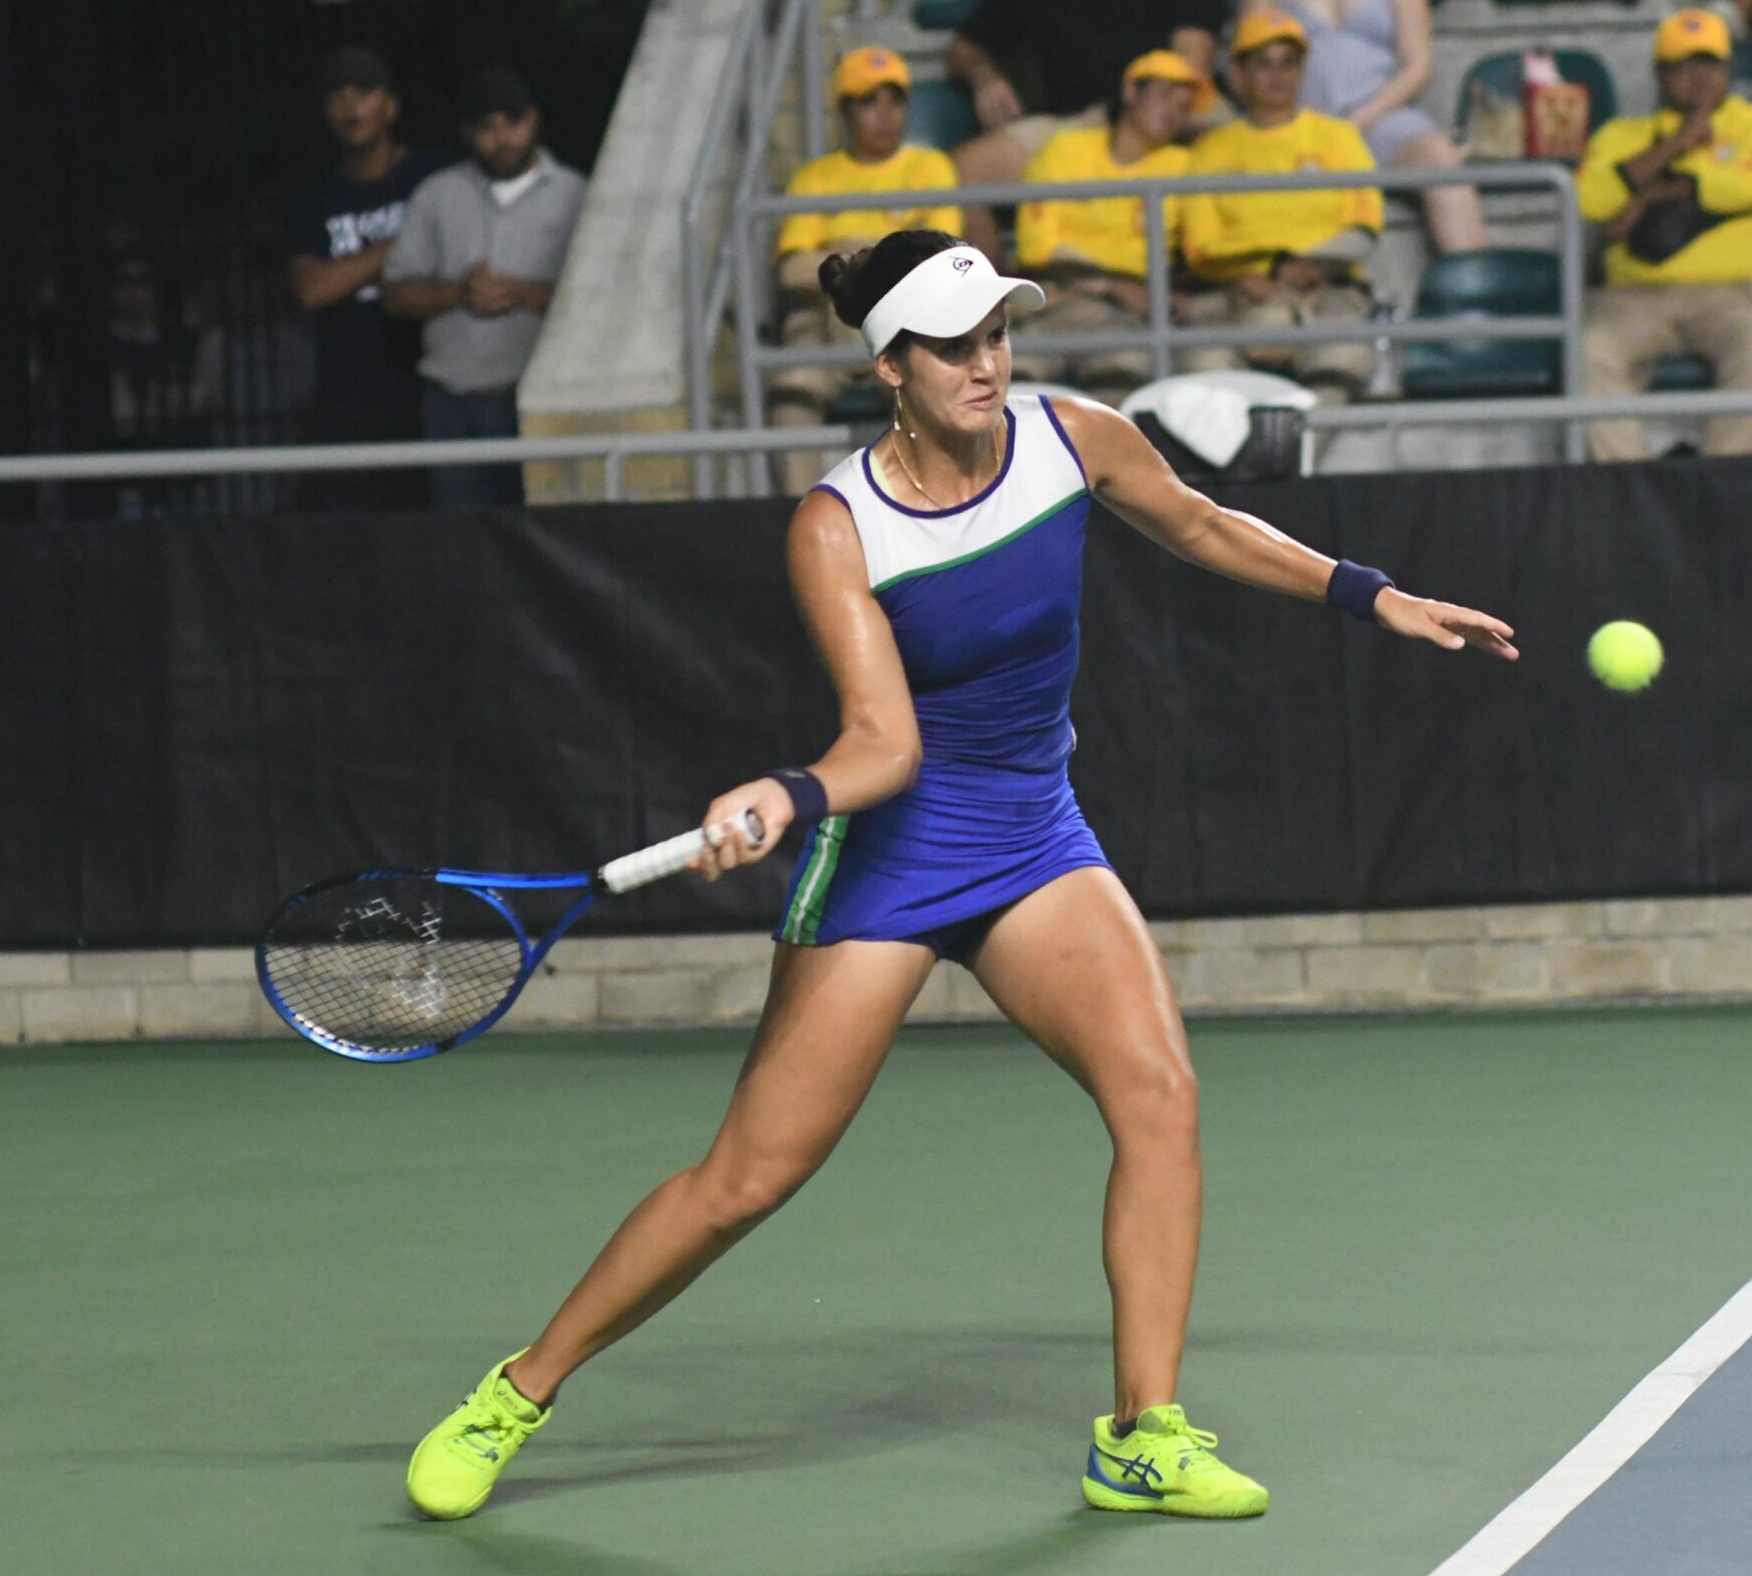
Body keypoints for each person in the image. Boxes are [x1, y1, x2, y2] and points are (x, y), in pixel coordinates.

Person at [399, 227, 1517, 1524]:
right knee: (749, 1176)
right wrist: (789, 791)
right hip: (889, 856)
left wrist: (1368, 595)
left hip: (1034, 833)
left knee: (1159, 1095)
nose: (988, 363)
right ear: (891, 365)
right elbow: (884, 744)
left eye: (998, 334)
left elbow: (1203, 523)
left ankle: (1141, 1431)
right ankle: (516, 1390)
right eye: (954, 345)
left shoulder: (1074, 436)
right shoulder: (838, 526)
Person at [947, 0, 1227, 259]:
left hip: (1162, 110)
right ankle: (991, 309)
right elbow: (962, 49)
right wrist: (985, 77)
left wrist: (1139, 112)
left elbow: (1192, 62)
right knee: (964, 171)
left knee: (1244, 147)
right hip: (1074, 127)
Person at [1576, 9, 1752, 461]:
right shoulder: (1622, 134)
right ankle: (1633, 492)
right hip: (1634, 298)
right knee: (1586, 352)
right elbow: (1589, 201)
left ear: (1728, 69)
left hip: (1738, 295)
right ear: (1659, 74)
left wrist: (1649, 194)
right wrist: (1677, 144)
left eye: (1709, 63)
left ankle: (1718, 486)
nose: (1698, 77)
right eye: (1682, 65)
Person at [1239, 0, 1482, 255]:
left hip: (1381, 120)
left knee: (1441, 161)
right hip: (1301, 130)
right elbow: (1245, 72)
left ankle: (1475, 295)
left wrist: (1357, 122)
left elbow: (1418, 65)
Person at [382, 63, 586, 508]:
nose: (501, 138)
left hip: (532, 400)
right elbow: (394, 292)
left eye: (512, 122)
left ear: (533, 120)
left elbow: (597, 304)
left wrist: (523, 293)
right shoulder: (437, 194)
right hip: (451, 402)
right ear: (466, 133)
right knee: (459, 540)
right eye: (486, 127)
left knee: (541, 535)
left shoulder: (575, 194)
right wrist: (458, 292)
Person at [769, 48, 961, 483]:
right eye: (869, 101)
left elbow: (940, 258)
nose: (884, 113)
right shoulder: (815, 177)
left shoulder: (930, 167)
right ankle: (802, 518)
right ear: (844, 110)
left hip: (906, 323)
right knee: (791, 392)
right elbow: (792, 268)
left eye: (894, 100)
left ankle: (934, 508)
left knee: (932, 386)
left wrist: (847, 253)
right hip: (825, 323)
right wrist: (883, 256)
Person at [1179, 12, 1385, 396]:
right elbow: (1200, 246)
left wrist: (1306, 266)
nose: (1278, 75)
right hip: (1241, 294)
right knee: (1206, 370)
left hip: (1328, 288)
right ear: (1239, 73)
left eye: (1288, 63)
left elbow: (1363, 226)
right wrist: (1255, 273)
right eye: (1263, 63)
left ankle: (1301, 454)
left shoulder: (1338, 137)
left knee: (1343, 361)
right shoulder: (1211, 151)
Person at [288, 45, 452, 510]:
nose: (350, 107)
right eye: (337, 96)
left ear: (390, 107)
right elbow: (312, 289)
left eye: (363, 92)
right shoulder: (317, 198)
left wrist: (352, 269)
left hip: (428, 380)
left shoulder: (434, 177)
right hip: (346, 393)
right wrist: (399, 245)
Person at [1013, 50, 1201, 399]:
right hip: (1054, 302)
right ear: (1131, 93)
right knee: (1011, 374)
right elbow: (1036, 250)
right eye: (1164, 95)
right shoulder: (1066, 151)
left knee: (1126, 371)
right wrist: (1109, 284)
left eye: (1184, 105)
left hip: (1127, 315)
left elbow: (1202, 247)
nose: (1173, 110)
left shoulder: (1185, 165)